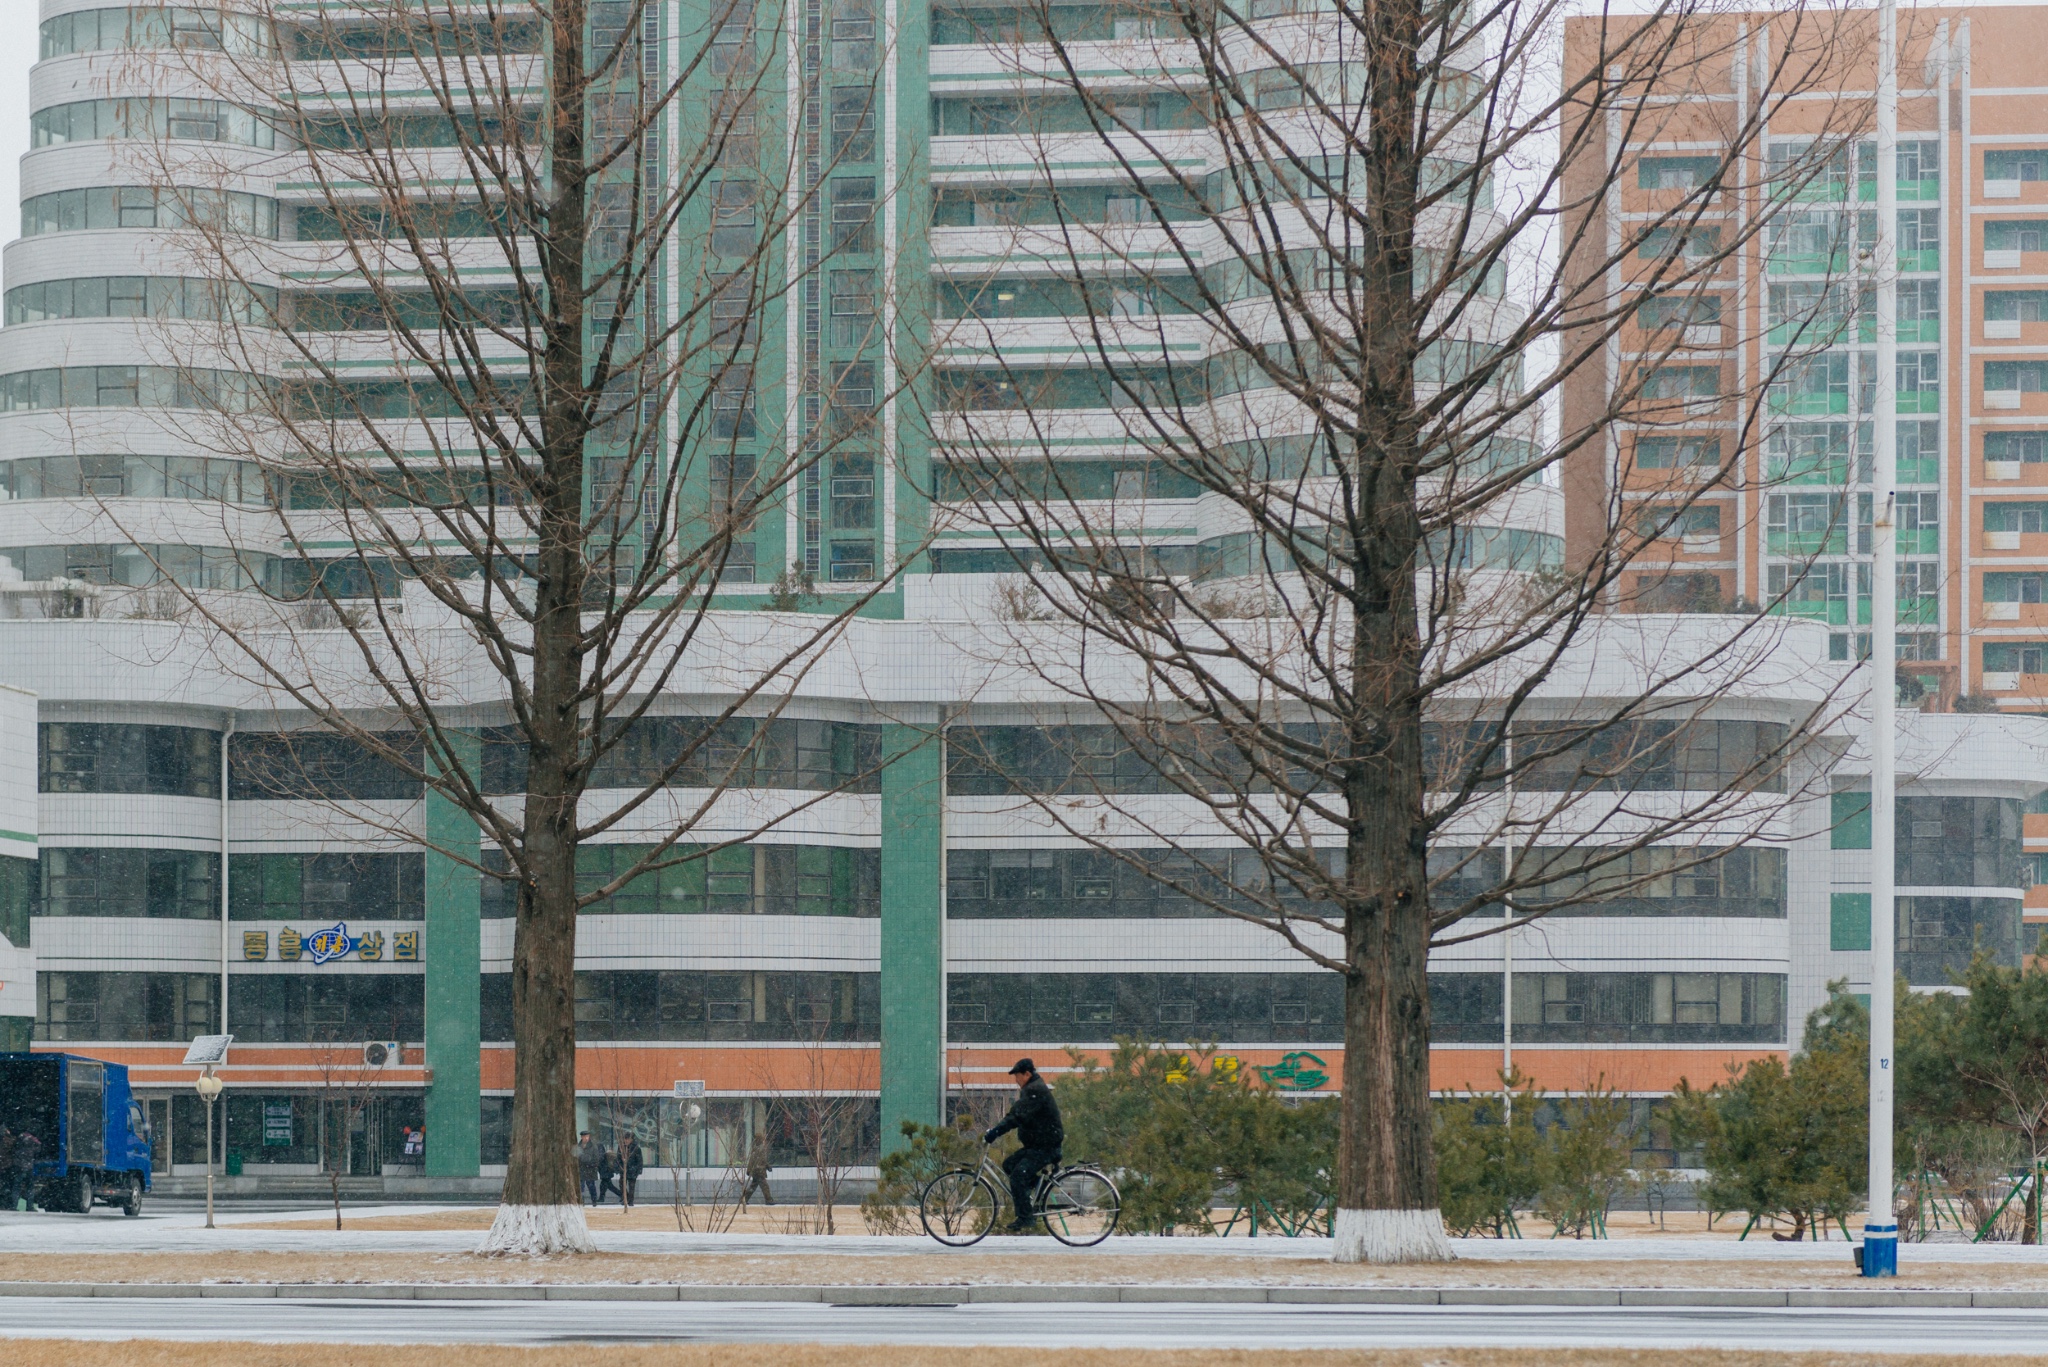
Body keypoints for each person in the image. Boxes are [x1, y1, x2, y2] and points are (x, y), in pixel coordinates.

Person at [984, 1058, 1063, 1234]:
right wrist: (998, 1129)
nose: (1016, 1081)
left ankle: (1026, 1217)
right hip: (1037, 1145)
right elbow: (1017, 1113)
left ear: (1027, 1074)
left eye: (1018, 1077)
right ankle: (1039, 1188)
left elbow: (1017, 1117)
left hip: (1046, 1146)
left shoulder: (1035, 1091)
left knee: (1018, 1177)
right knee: (1009, 1165)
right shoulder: (1031, 1089)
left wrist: (996, 1132)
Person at [740, 1129, 773, 1207]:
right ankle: (768, 1200)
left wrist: (749, 1169)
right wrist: (768, 1166)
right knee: (764, 1186)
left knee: (753, 1187)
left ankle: (743, 1199)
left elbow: (752, 1160)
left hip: (756, 1170)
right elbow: (762, 1160)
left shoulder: (756, 1148)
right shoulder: (760, 1148)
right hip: (759, 1171)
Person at [9, 1131, 39, 1213]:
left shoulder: (18, 1144)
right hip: (29, 1168)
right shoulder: (31, 1145)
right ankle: (29, 1207)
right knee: (30, 1187)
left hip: (19, 1168)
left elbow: (12, 1151)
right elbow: (38, 1148)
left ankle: (14, 1206)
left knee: (16, 1187)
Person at [576, 1131, 602, 1206]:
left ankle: (594, 1200)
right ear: (581, 1137)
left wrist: (589, 1163)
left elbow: (596, 1159)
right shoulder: (579, 1146)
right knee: (581, 1187)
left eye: (587, 1136)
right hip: (581, 1170)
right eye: (584, 1136)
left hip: (590, 1170)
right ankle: (581, 1201)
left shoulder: (593, 1146)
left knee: (591, 1186)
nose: (586, 1138)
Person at [618, 1133, 643, 1211]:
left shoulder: (636, 1148)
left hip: (632, 1170)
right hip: (624, 1170)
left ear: (631, 1140)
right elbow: (618, 1158)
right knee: (622, 1184)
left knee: (631, 1186)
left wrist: (638, 1170)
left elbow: (639, 1161)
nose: (626, 1141)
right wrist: (619, 1167)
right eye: (625, 1139)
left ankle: (630, 1201)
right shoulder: (621, 1148)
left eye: (628, 1139)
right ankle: (626, 1198)